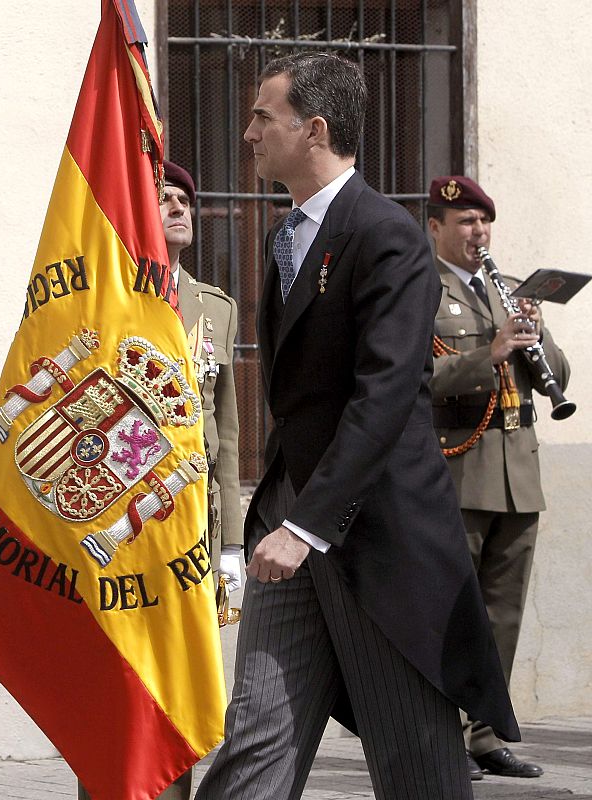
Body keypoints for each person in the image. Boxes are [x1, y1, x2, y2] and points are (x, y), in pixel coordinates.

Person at [194, 52, 519, 800]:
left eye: (261, 117)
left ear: (313, 129)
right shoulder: (286, 237)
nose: (247, 133)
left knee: (417, 768)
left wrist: (306, 526)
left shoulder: (386, 235)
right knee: (255, 741)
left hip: (374, 538)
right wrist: (282, 517)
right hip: (291, 515)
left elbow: (386, 396)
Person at [78, 160, 244, 800]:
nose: (178, 209)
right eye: (163, 199)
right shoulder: (111, 300)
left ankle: (170, 791)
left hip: (191, 528)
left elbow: (225, 436)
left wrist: (230, 544)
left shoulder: (214, 308)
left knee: (181, 677)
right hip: (124, 525)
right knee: (118, 671)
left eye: (185, 201)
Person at [427, 175, 570, 780]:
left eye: (483, 222)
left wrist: (534, 333)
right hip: (461, 466)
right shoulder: (422, 293)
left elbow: (557, 373)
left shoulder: (508, 291)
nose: (477, 233)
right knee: (457, 611)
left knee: (502, 615)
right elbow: (418, 381)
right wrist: (487, 353)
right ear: (435, 228)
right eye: (464, 223)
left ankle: (485, 734)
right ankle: (445, 738)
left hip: (518, 474)